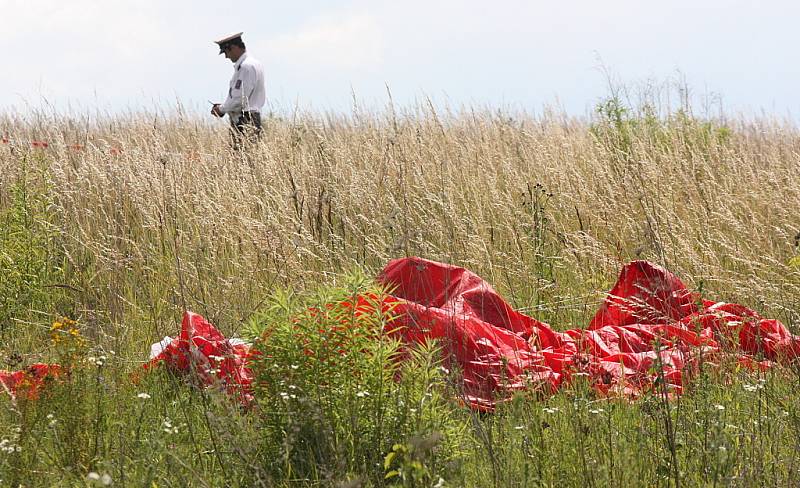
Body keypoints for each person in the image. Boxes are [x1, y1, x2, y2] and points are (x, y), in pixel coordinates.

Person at [211, 32, 266, 147]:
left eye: (226, 52)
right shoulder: (253, 64)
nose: (226, 56)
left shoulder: (246, 67)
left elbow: (239, 99)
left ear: (234, 47)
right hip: (250, 118)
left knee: (243, 159)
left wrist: (221, 109)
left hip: (245, 120)